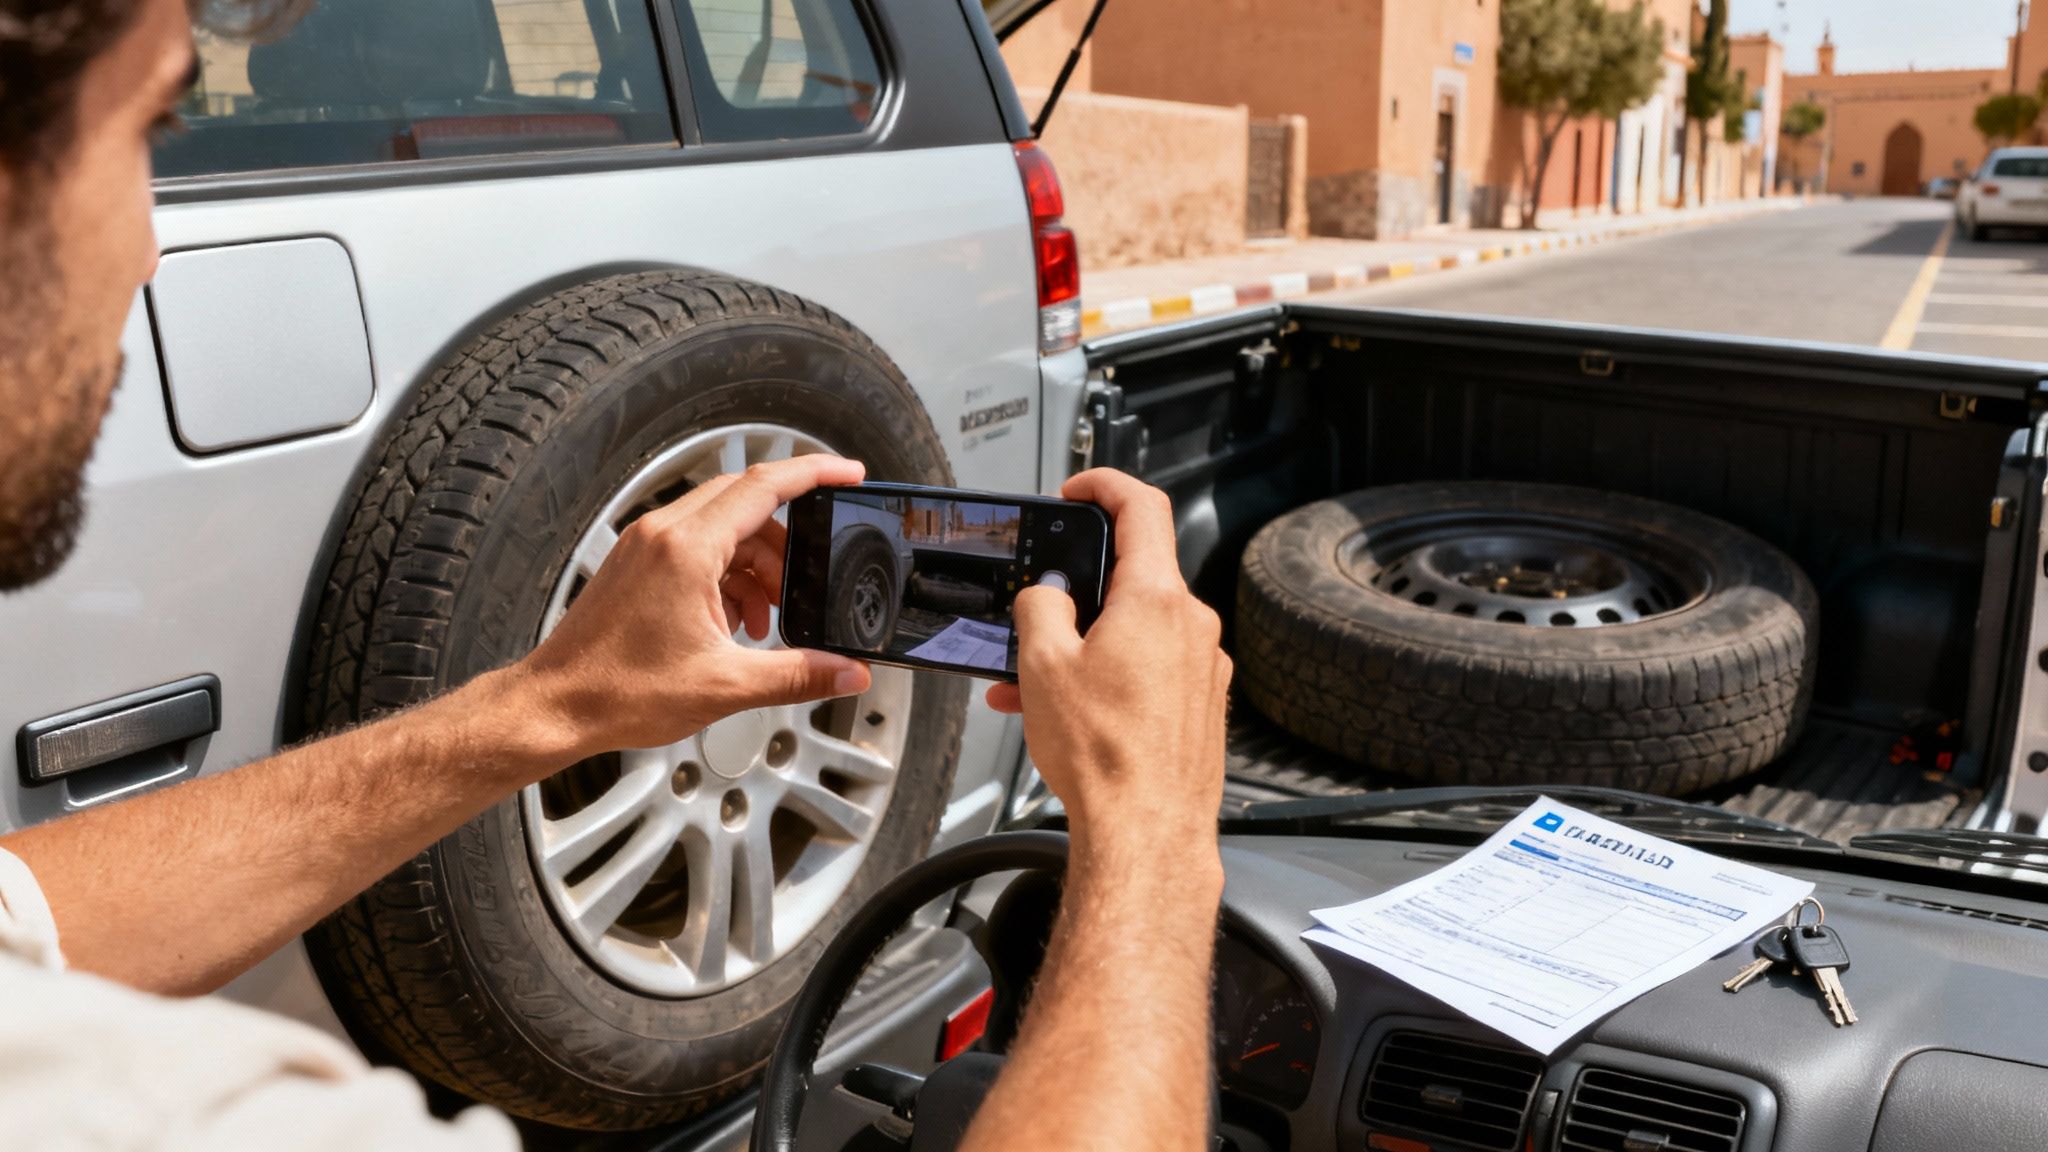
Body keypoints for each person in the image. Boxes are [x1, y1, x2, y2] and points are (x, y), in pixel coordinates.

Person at [0, 0, 1233, 1148]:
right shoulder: (176, 1108)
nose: (150, 247)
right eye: (155, 122)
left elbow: (25, 921)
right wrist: (1150, 831)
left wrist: (554, 702)